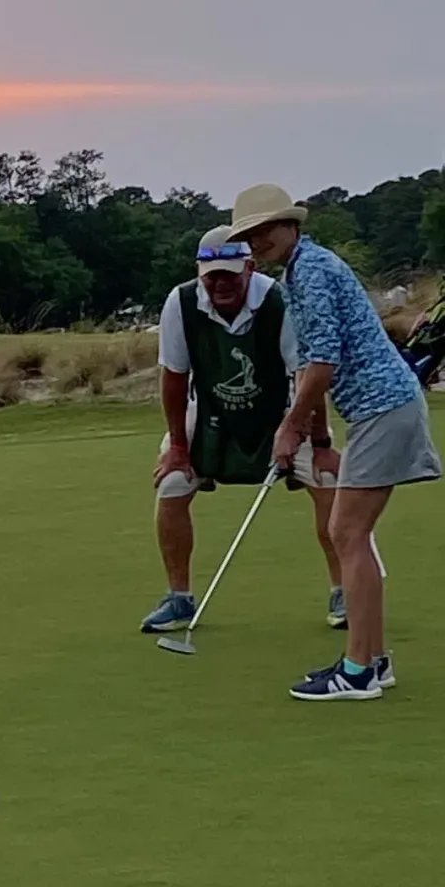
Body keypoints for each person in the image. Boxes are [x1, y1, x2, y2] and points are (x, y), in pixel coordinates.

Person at [233, 183, 441, 701]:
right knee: (350, 532)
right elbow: (311, 363)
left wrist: (290, 426)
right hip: (378, 408)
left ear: (290, 226)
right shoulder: (299, 273)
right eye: (250, 235)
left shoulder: (314, 270)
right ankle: (371, 660)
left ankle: (359, 669)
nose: (258, 241)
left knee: (346, 532)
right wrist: (305, 426)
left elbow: (323, 363)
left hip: (383, 407)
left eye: (265, 230)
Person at [140, 231, 342, 634]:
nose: (220, 284)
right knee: (172, 484)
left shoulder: (279, 300)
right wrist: (178, 446)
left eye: (230, 275)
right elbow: (174, 380)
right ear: (200, 273)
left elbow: (306, 377)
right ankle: (179, 599)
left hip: (283, 411)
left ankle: (345, 591)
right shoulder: (181, 303)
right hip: (211, 412)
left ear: (250, 268)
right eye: (211, 276)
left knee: (331, 480)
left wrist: (320, 443)